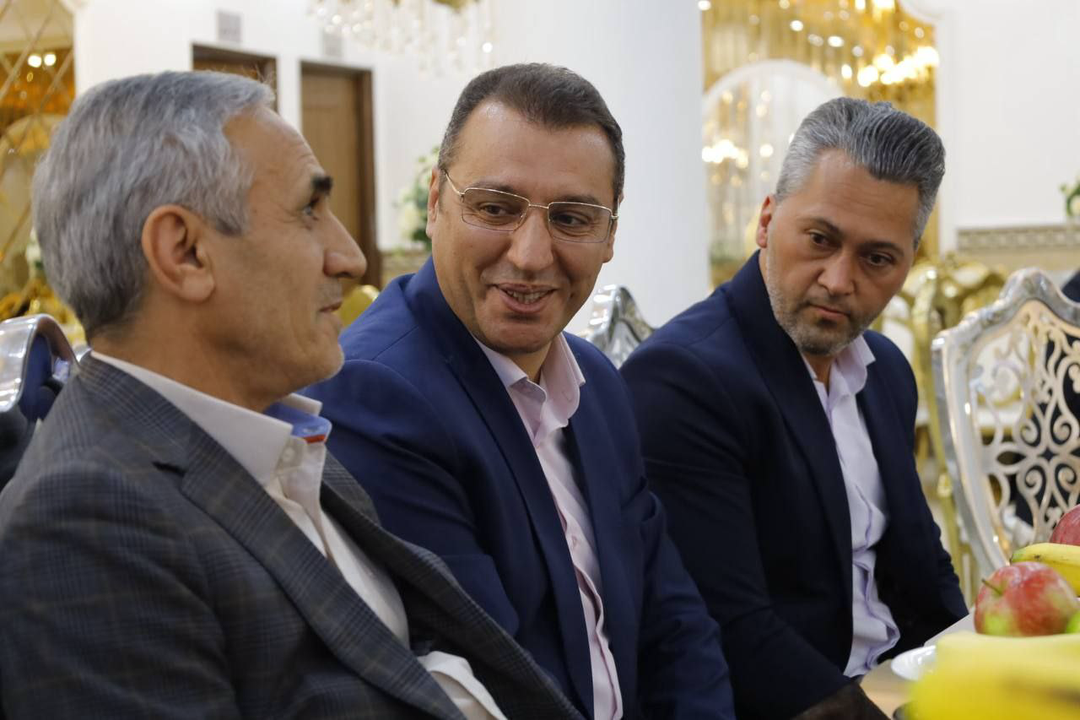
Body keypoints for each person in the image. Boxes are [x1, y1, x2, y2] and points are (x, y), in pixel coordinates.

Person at [0, 70, 583, 719]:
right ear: (185, 253)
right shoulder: (87, 525)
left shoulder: (278, 436)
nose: (351, 257)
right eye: (309, 211)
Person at [306, 63, 735, 720]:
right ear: (435, 203)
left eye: (572, 218)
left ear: (610, 234)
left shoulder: (599, 384)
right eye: (495, 208)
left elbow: (674, 621)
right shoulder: (376, 392)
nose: (531, 254)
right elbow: (498, 680)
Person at [621, 98, 968, 720]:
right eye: (820, 239)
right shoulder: (683, 380)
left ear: (907, 264)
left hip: (903, 686)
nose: (838, 279)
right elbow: (735, 630)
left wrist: (985, 674)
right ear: (766, 220)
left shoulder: (885, 370)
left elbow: (922, 565)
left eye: (876, 258)